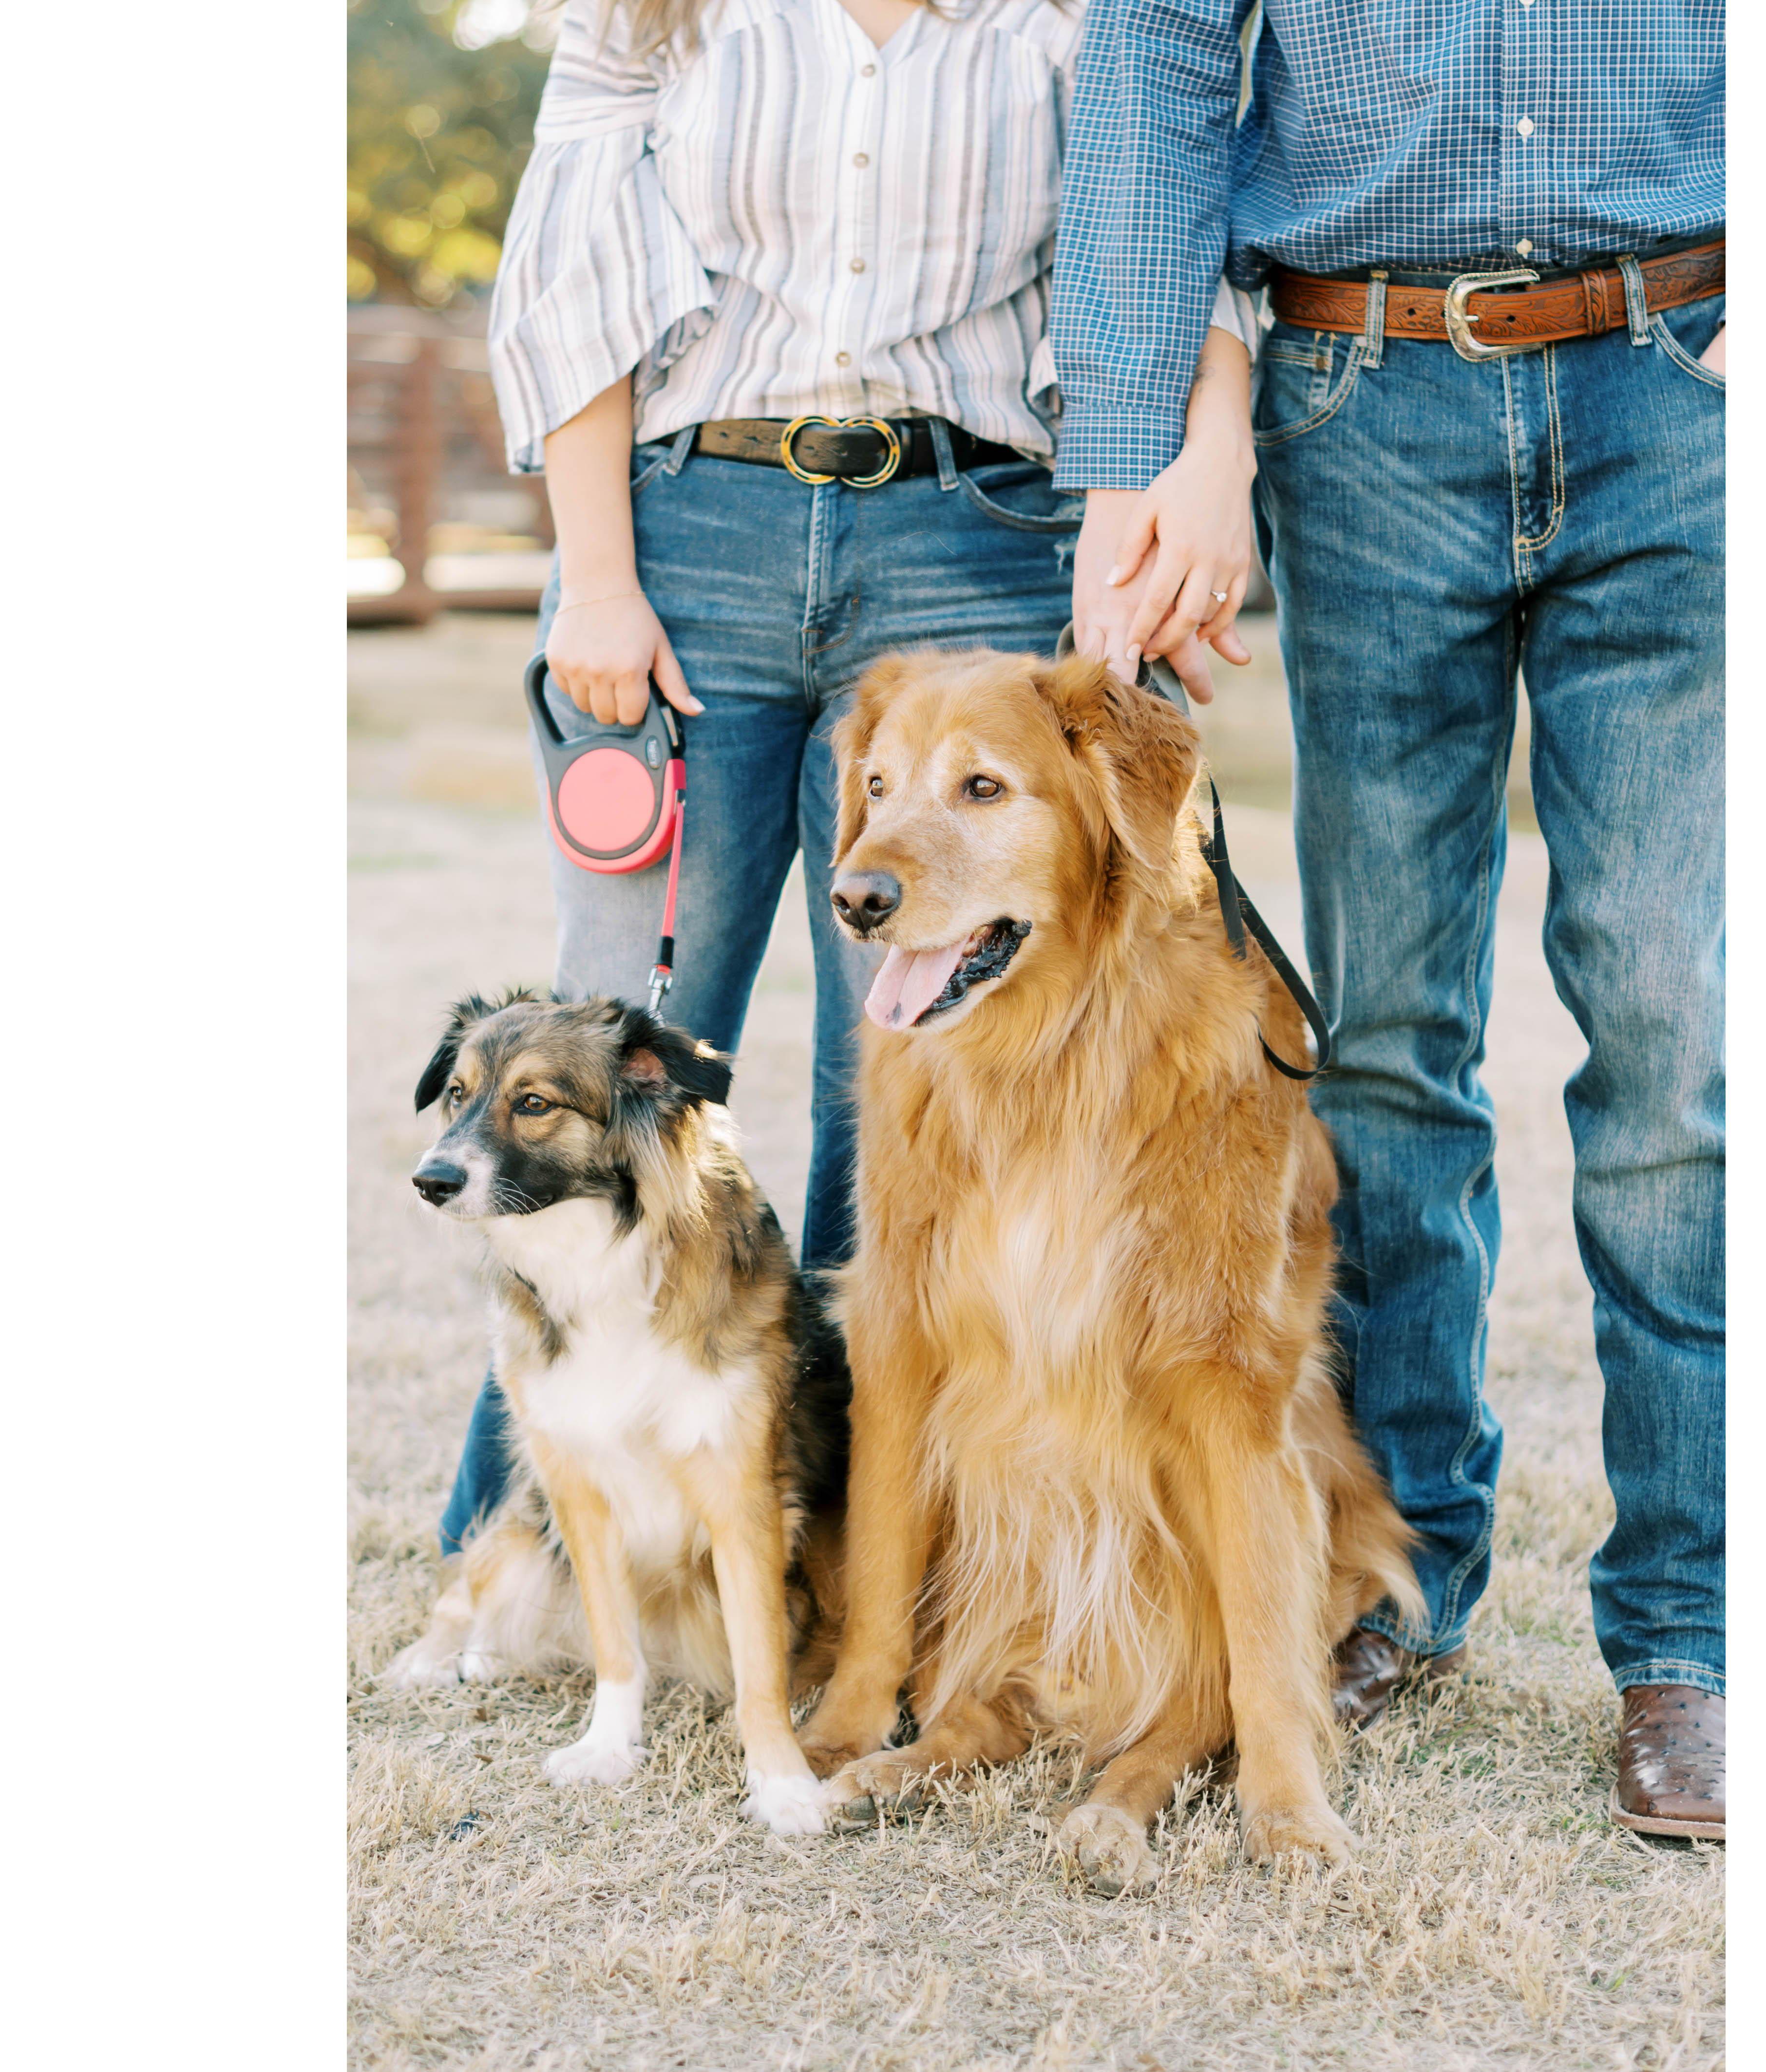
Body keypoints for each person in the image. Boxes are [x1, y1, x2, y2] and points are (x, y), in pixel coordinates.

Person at [434, 0, 1260, 1556]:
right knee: (622, 1045)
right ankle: (523, 1540)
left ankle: (847, 1549)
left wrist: (1177, 491)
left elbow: (1171, 256)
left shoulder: (1070, 27)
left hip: (967, 533)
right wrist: (596, 579)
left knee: (905, 1068)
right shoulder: (661, 13)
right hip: (692, 539)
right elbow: (568, 285)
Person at [1053, 1, 1726, 1841]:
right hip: (1362, 401)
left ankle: (1696, 1639)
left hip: (1683, 377)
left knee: (1675, 1036)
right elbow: (1161, 73)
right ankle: (1404, 1579)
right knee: (1392, 1043)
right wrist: (1144, 449)